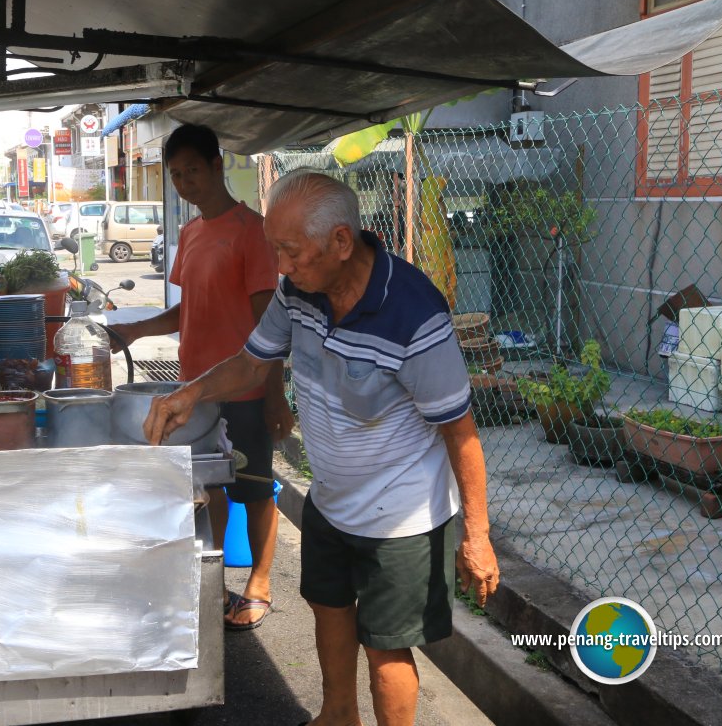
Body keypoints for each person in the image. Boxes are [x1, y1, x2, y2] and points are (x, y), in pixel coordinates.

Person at [143, 171, 500, 725]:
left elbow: (461, 432)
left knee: (385, 648)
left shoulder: (413, 314)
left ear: (339, 241)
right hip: (332, 499)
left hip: (401, 518)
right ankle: (337, 715)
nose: (280, 267)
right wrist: (189, 393)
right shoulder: (298, 292)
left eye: (290, 251)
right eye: (276, 250)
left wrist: (476, 536)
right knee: (329, 610)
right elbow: (252, 361)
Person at [108, 123, 294, 630]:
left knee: (253, 488)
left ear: (217, 166)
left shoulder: (252, 231)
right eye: (175, 174)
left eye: (192, 170)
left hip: (247, 388)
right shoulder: (189, 234)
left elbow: (267, 325)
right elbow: (188, 310)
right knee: (206, 486)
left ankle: (259, 581)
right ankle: (214, 582)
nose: (185, 182)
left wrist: (276, 397)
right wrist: (133, 331)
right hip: (194, 391)